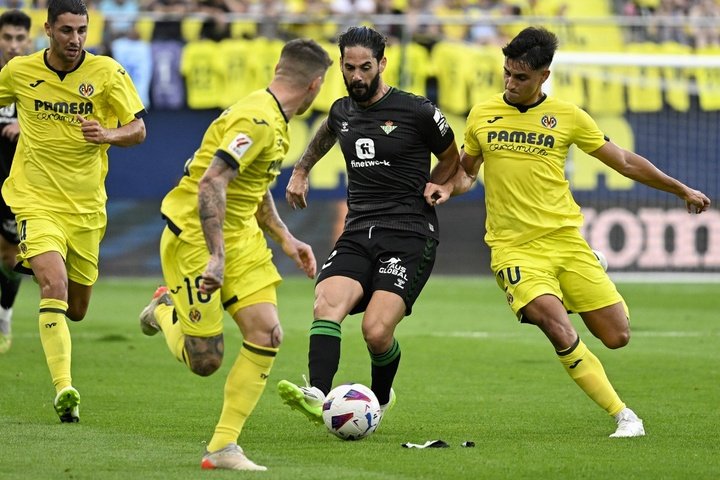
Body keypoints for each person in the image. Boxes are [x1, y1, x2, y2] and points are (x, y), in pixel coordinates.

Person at [425, 27, 712, 438]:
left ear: (543, 75)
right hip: (513, 249)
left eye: (520, 77)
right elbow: (468, 173)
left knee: (617, 336)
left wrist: (680, 188)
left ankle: (591, 269)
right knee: (558, 327)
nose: (510, 83)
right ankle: (624, 415)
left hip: (565, 239)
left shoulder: (569, 117)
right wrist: (447, 187)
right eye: (506, 73)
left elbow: (626, 162)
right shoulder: (482, 115)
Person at [138, 38, 332, 471]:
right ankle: (164, 309)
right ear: (315, 85)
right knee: (205, 361)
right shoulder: (258, 119)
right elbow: (212, 183)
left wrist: (285, 238)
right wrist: (216, 255)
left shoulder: (272, 117)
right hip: (195, 239)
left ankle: (223, 447)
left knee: (268, 333)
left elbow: (252, 184)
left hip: (241, 235)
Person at [277, 26, 460, 428]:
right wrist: (302, 170)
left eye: (364, 67)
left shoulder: (417, 111)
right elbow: (327, 133)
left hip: (410, 232)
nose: (356, 76)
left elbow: (453, 158)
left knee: (376, 332)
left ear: (382, 64)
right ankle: (318, 394)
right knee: (326, 302)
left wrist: (440, 184)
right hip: (359, 229)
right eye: (348, 67)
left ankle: (377, 399)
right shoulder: (342, 110)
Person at [0, 0, 146, 421]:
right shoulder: (20, 72)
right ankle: (65, 390)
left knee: (76, 309)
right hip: (34, 198)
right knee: (54, 286)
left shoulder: (106, 73)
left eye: (81, 30)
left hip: (85, 208)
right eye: (66, 30)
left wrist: (109, 133)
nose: (75, 39)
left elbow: (138, 128)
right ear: (47, 29)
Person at [0, 9, 32, 354]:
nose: (13, 45)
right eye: (7, 38)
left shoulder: (39, 81)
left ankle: (4, 315)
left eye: (19, 38)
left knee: (10, 258)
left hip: (17, 184)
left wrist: (30, 124)